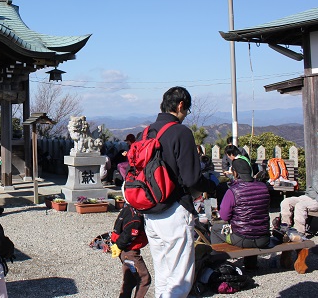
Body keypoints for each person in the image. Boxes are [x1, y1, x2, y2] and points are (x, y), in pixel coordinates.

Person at [143, 86, 216, 297]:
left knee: (163, 273)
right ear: (181, 105)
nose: (186, 115)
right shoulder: (181, 133)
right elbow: (192, 178)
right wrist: (212, 186)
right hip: (174, 210)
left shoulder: (147, 132)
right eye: (187, 110)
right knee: (179, 279)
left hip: (150, 211)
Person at [212, 159, 270, 250]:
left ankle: (220, 261)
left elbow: (224, 216)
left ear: (235, 173)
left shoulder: (233, 190)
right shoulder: (264, 187)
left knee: (215, 229)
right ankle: (250, 263)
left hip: (241, 238)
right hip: (264, 239)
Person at [110, 203, 151, 298]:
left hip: (125, 252)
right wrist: (119, 245)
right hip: (130, 252)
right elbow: (129, 234)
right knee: (144, 279)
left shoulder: (128, 208)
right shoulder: (135, 218)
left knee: (130, 280)